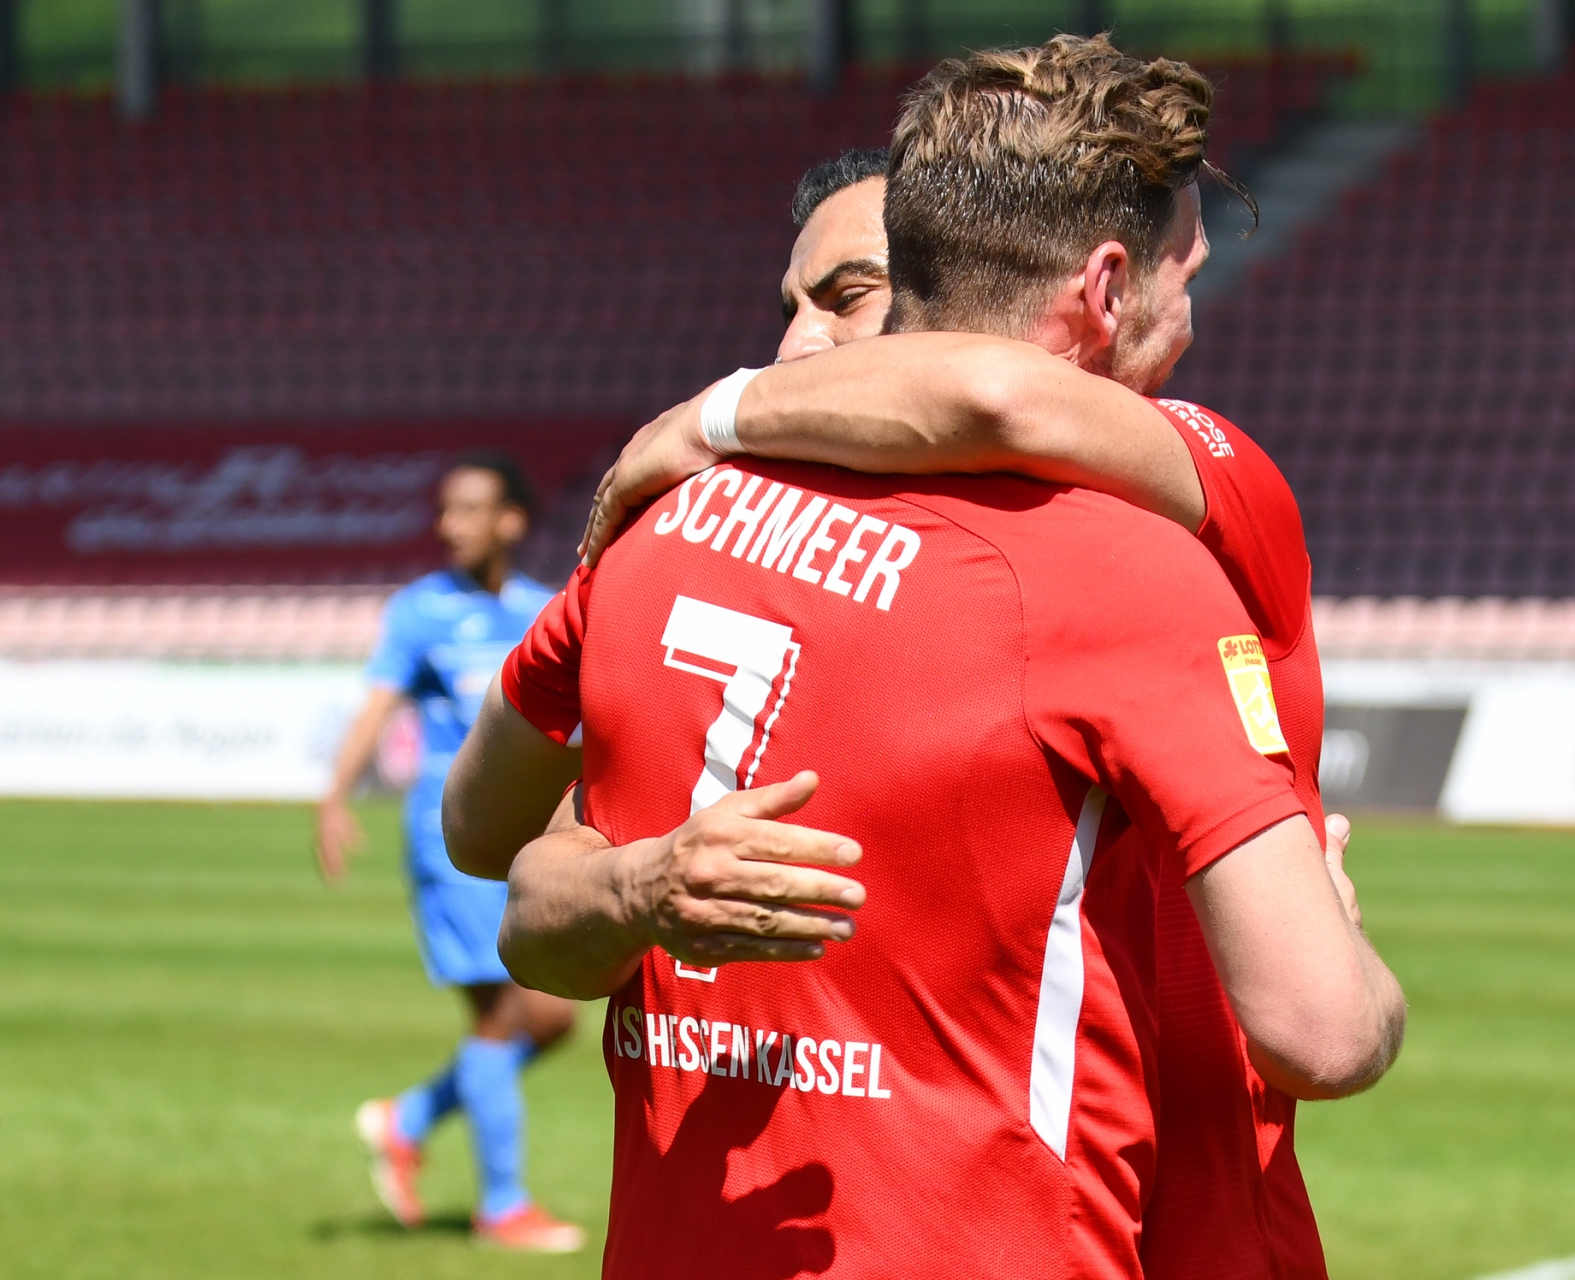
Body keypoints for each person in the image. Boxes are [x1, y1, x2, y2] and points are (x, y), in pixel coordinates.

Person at [444, 36, 1403, 1278]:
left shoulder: (665, 527)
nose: (801, 346)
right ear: (1109, 286)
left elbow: (505, 859)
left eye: (844, 297)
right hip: (1140, 1225)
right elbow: (1326, 1029)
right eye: (1186, 269)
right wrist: (1337, 938)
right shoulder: (1133, 559)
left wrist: (709, 417)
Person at [315, 450, 585, 1252]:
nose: (450, 524)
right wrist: (336, 797)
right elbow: (376, 706)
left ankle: (408, 1119)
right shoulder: (421, 611)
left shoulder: (541, 609)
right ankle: (503, 1207)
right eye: (445, 510)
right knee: (499, 1014)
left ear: (512, 521)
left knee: (551, 1020)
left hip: (527, 829)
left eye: (469, 509)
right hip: (449, 832)